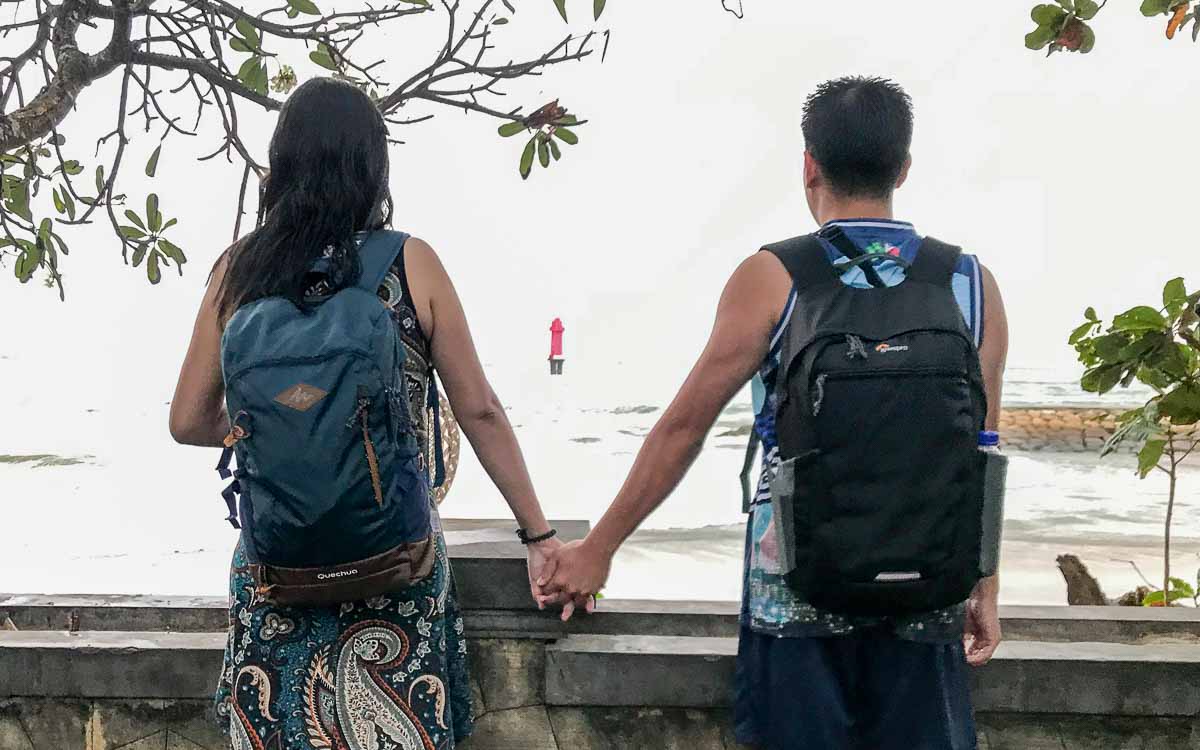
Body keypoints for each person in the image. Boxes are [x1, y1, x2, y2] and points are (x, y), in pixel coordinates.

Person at [537, 76, 1009, 749]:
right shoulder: (968, 281)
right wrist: (983, 583)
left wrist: (599, 548)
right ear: (903, 168)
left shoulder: (774, 276)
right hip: (926, 590)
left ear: (809, 165)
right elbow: (983, 450)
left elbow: (685, 427)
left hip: (793, 594)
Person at [169, 78, 562, 750]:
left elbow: (186, 420)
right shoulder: (409, 262)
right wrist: (538, 537)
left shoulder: (237, 271)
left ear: (282, 163)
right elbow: (480, 410)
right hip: (395, 558)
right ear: (372, 165)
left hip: (277, 566)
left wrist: (268, 433)